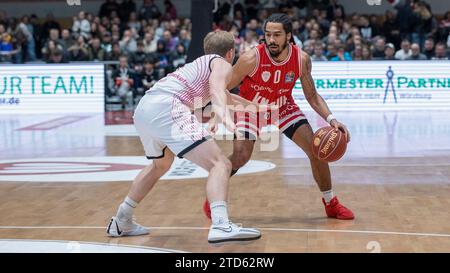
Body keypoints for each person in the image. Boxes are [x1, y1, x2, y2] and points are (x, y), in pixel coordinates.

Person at [106, 31, 261, 243]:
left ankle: (121, 219)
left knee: (159, 165)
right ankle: (221, 225)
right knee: (220, 164)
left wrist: (255, 107)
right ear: (231, 53)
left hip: (144, 108)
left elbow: (225, 95)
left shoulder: (199, 65)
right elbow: (217, 92)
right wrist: (226, 118)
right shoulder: (222, 64)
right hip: (167, 107)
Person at [202, 14, 355, 221]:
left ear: (288, 36)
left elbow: (311, 95)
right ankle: (214, 197)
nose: (271, 40)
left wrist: (331, 119)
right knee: (240, 157)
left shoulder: (301, 59)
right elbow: (222, 86)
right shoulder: (251, 58)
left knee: (316, 150)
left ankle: (331, 204)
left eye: (277, 35)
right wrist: (211, 112)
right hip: (251, 107)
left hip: (283, 106)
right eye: (268, 35)